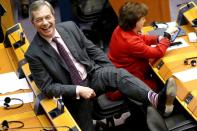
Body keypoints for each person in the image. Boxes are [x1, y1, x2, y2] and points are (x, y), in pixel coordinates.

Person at [25, 1, 177, 131]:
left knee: (118, 74)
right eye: (39, 20)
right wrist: (78, 89)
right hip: (73, 94)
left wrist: (108, 69)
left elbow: (93, 50)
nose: (45, 23)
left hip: (92, 75)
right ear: (32, 23)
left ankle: (157, 100)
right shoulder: (33, 54)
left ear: (53, 16)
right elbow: (47, 87)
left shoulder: (70, 27)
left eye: (47, 17)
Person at [107, 2, 178, 101]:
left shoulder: (120, 29)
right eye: (143, 19)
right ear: (135, 22)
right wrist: (167, 37)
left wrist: (158, 38)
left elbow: (140, 38)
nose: (145, 20)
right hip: (126, 83)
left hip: (120, 76)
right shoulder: (130, 42)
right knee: (160, 86)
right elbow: (158, 52)